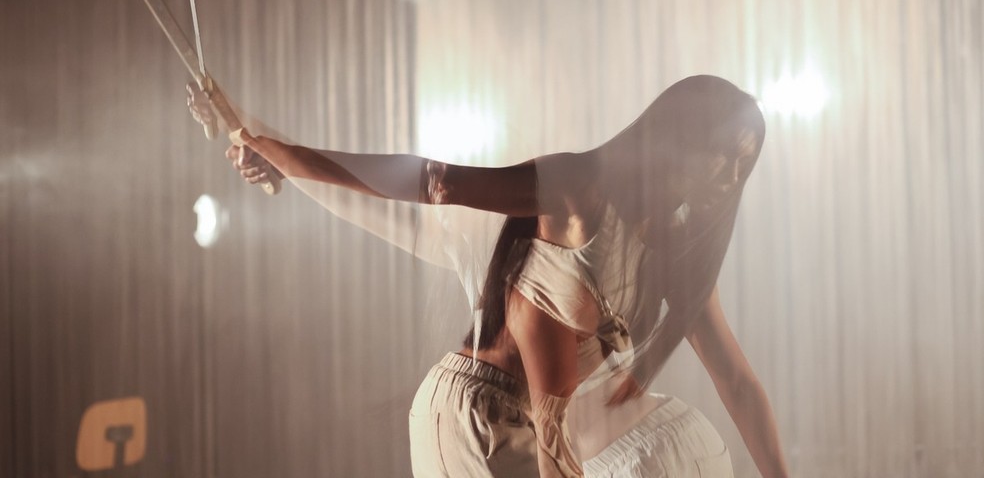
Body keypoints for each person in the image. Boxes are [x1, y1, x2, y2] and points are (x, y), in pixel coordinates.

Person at [188, 75, 790, 477]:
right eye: (721, 152)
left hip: (527, 425)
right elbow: (426, 186)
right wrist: (277, 152)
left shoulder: (678, 258)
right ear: (680, 136)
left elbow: (737, 383)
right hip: (477, 410)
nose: (729, 176)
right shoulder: (577, 191)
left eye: (744, 163)